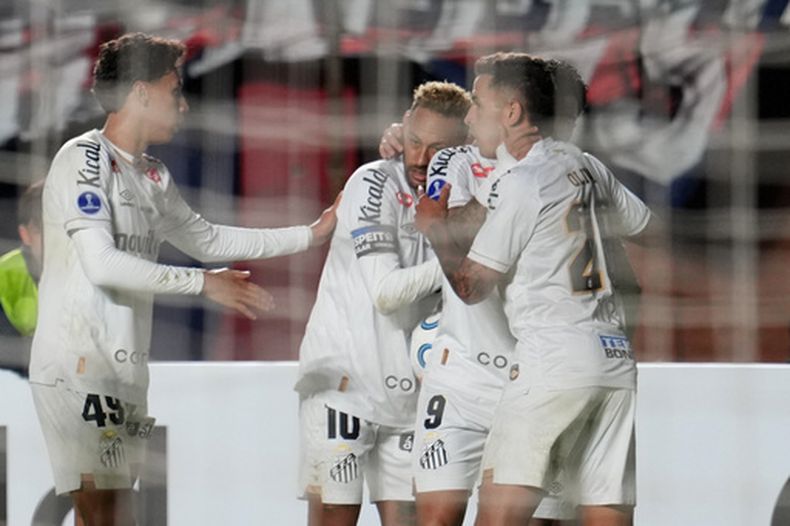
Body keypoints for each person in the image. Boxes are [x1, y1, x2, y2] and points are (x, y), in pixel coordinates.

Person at [29, 32, 339, 526]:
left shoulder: (152, 175)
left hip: (124, 372)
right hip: (78, 368)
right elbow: (102, 263)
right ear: (141, 92)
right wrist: (204, 284)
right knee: (105, 517)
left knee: (111, 517)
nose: (185, 106)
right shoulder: (83, 159)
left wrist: (311, 234)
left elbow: (209, 241)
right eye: (175, 91)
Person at [415, 53, 652, 526]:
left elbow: (471, 287)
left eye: (478, 103)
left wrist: (435, 229)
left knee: (498, 518)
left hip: (551, 361)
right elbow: (642, 224)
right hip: (613, 360)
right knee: (606, 513)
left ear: (512, 112)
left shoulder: (524, 183)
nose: (468, 115)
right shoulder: (587, 167)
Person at [296, 80, 471, 526]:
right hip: (344, 387)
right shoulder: (373, 181)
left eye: (436, 148)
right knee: (335, 516)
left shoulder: (465, 195)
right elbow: (386, 293)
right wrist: (466, 259)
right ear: (403, 129)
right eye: (414, 141)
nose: (419, 158)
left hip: (410, 398)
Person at [0, 181, 44, 376]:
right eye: (40, 230)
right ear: (25, 235)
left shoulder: (95, 269)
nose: (51, 239)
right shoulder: (5, 275)